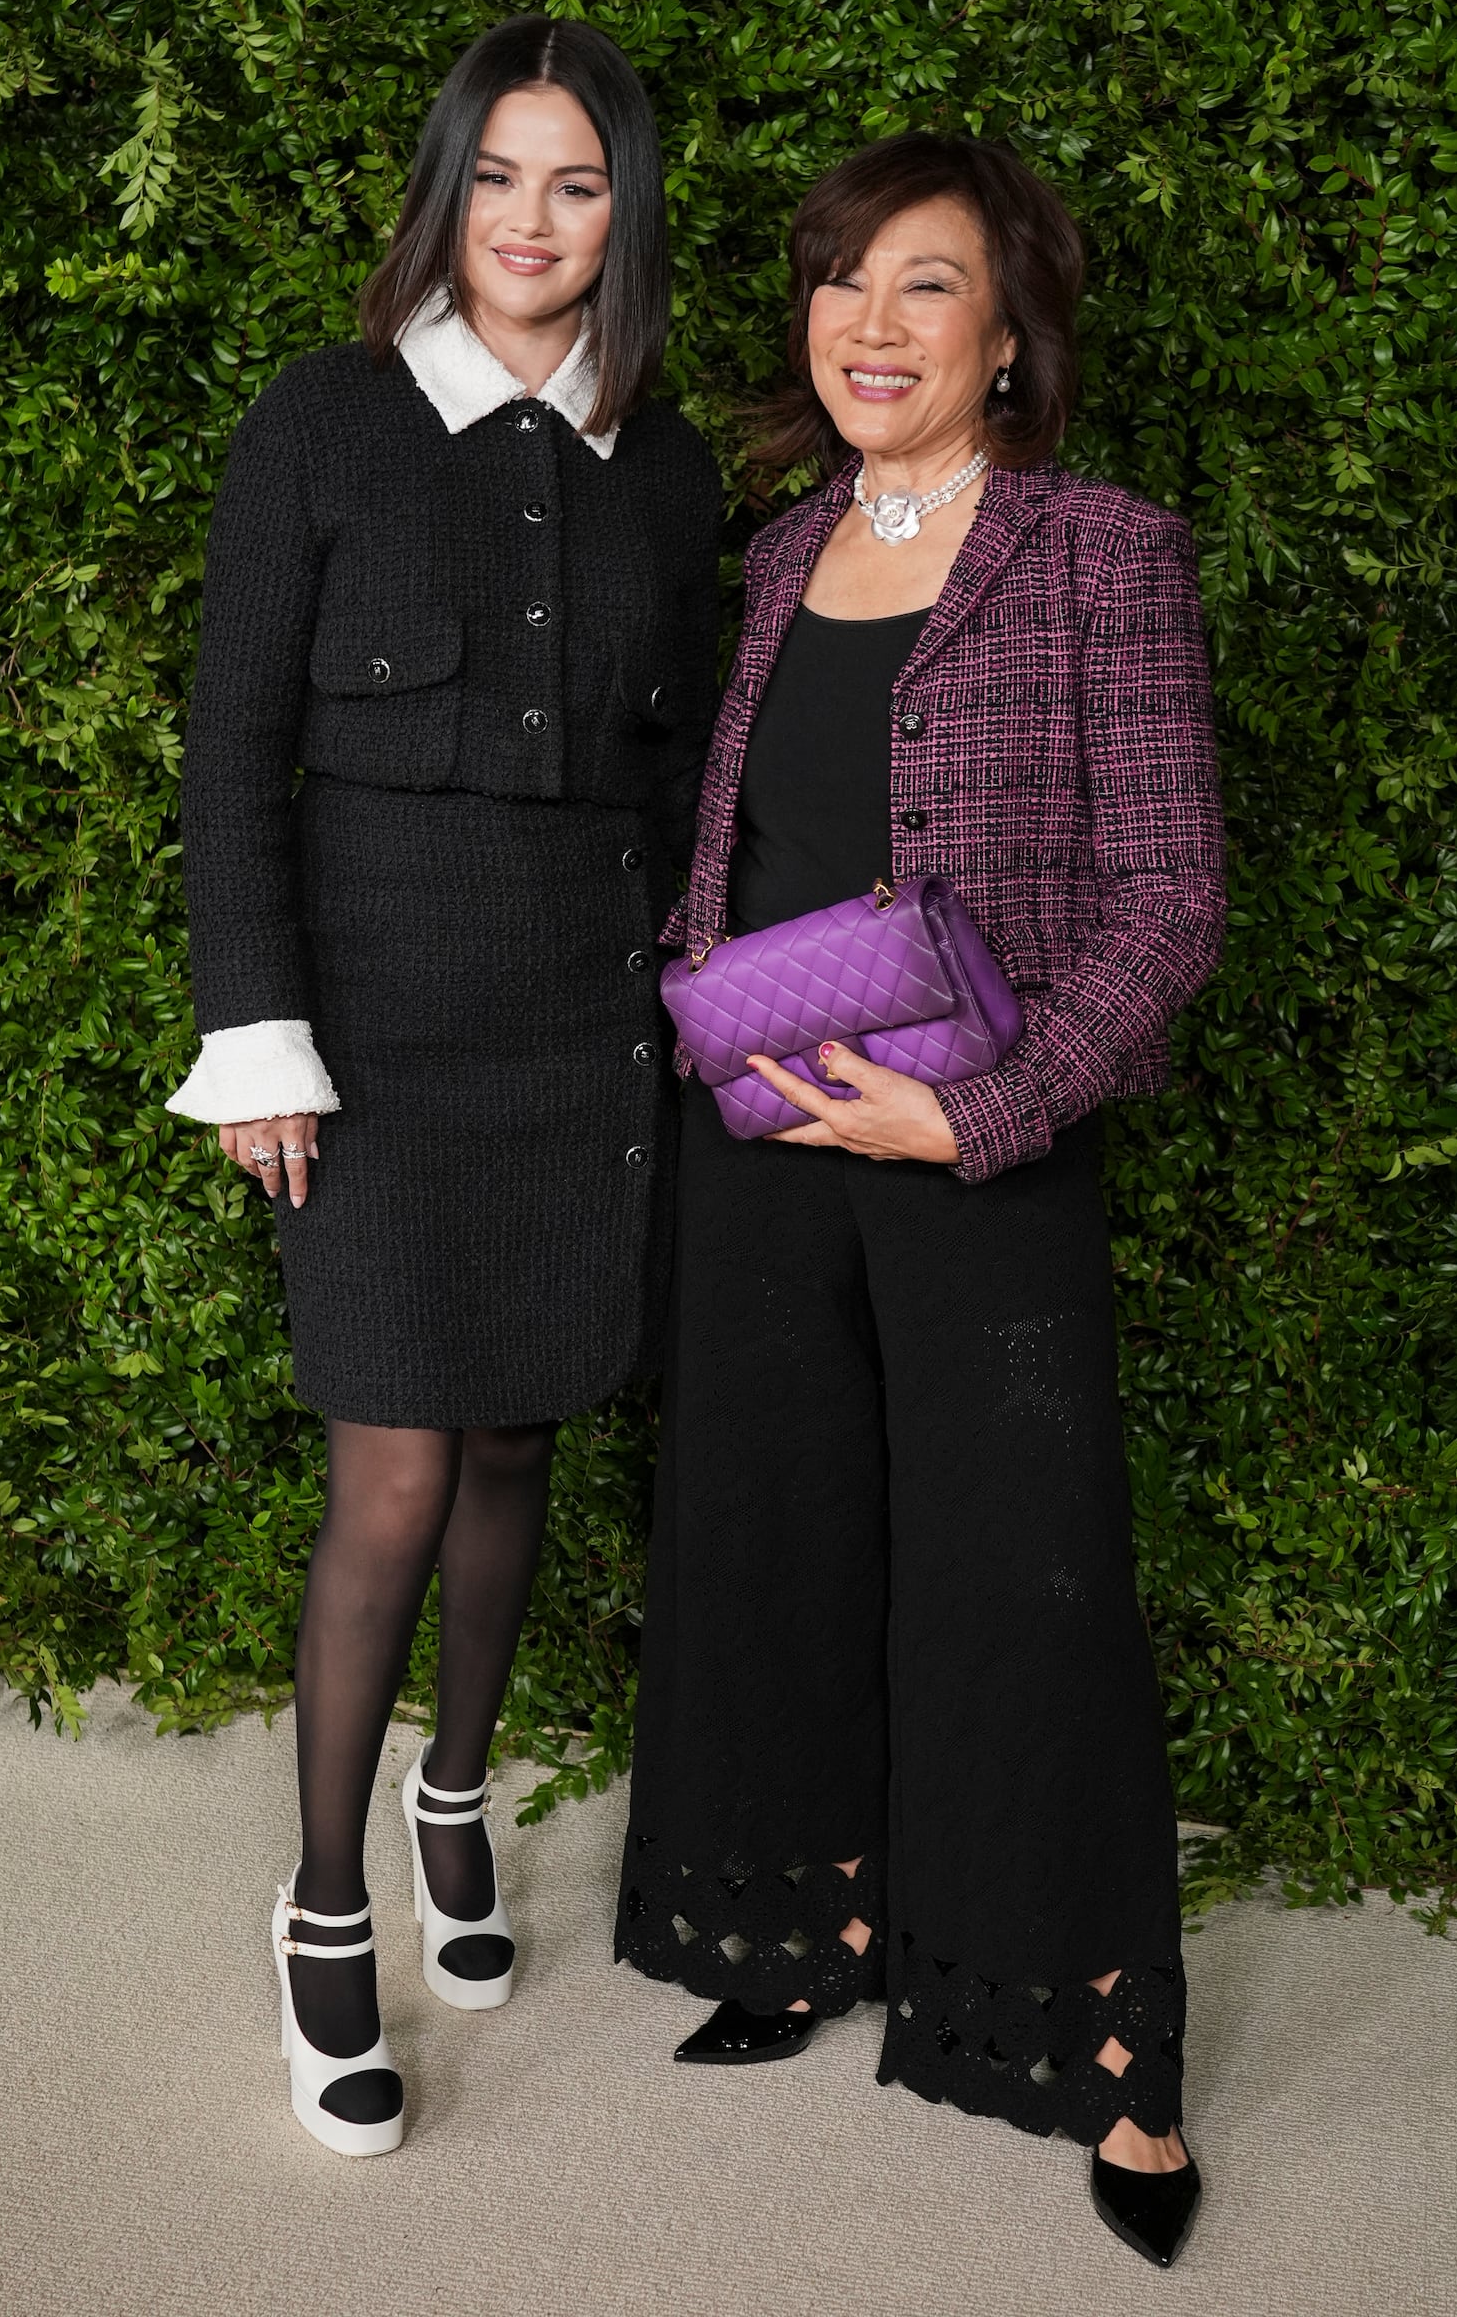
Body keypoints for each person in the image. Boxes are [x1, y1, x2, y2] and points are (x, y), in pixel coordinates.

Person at [615, 133, 1224, 2269]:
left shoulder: (1096, 551)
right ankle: (801, 1925)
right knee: (770, 1540)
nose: (870, 327)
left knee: (1023, 1591)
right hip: (762, 1143)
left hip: (980, 1149)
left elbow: (1165, 906)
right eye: (841, 283)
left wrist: (981, 1116)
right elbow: (745, 851)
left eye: (926, 288)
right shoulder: (778, 554)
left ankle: (1105, 2063)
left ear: (1005, 331)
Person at [168, 14, 719, 2157]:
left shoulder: (662, 461)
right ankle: (322, 1911)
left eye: (576, 184)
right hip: (375, 1037)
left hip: (578, 1022)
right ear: (442, 190)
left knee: (513, 1436)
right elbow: (231, 756)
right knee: (389, 1471)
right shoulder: (318, 421)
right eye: (497, 176)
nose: (530, 222)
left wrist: (696, 1009)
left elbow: (677, 772)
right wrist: (256, 1040)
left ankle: (457, 1783)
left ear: (623, 212)